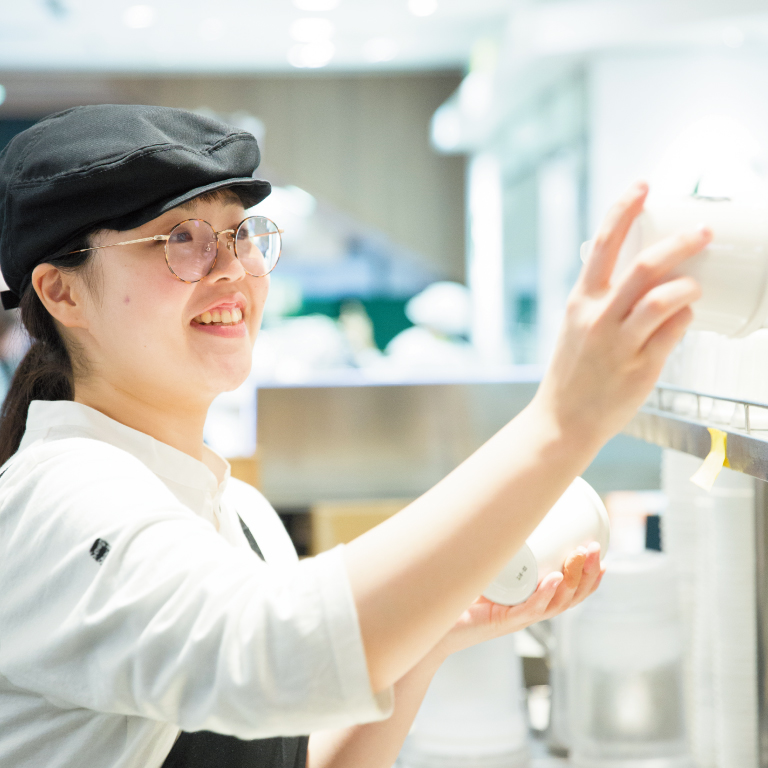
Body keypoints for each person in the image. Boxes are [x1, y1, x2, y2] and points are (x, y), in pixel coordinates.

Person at [0, 105, 710, 768]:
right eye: (179, 239)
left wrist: (431, 638)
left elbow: (297, 745)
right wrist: (561, 420)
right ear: (62, 293)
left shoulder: (240, 513)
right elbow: (271, 651)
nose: (232, 272)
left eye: (240, 235)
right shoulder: (54, 498)